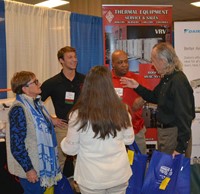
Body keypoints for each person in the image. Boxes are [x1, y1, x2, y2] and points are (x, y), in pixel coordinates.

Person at [60, 66, 135, 194]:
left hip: (91, 178)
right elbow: (129, 140)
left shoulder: (78, 114)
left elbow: (70, 149)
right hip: (118, 175)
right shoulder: (122, 110)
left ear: (87, 85)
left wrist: (63, 142)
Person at [121, 42, 195, 158]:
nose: (152, 64)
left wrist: (180, 148)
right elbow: (154, 97)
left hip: (174, 135)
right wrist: (136, 86)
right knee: (165, 173)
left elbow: (185, 116)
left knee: (171, 174)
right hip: (166, 135)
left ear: (162, 61)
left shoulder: (178, 81)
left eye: (153, 60)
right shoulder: (167, 78)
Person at [6, 71, 62, 194]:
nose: (39, 83)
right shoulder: (19, 109)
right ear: (25, 89)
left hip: (42, 166)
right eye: (35, 82)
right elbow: (17, 145)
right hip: (33, 169)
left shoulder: (36, 105)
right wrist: (29, 169)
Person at [40, 46, 85, 176]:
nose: (74, 60)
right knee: (59, 162)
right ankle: (57, 188)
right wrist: (51, 119)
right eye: (70, 57)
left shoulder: (85, 80)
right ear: (61, 61)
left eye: (75, 57)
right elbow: (35, 104)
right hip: (63, 127)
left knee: (82, 164)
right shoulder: (52, 83)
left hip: (83, 127)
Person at [111, 50, 147, 154]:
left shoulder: (136, 78)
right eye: (120, 62)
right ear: (113, 64)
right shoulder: (107, 80)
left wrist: (142, 98)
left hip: (136, 130)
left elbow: (150, 94)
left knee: (139, 164)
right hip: (114, 132)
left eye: (126, 62)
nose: (124, 65)